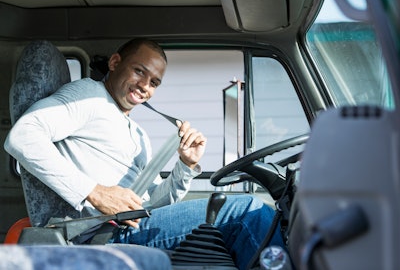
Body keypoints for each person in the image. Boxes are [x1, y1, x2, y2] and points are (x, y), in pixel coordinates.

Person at [4, 38, 284, 270]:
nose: (145, 86)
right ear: (115, 63)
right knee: (245, 211)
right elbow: (22, 137)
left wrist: (185, 166)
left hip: (125, 227)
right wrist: (96, 192)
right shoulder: (87, 95)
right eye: (139, 71)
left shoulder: (137, 134)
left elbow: (151, 205)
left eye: (154, 82)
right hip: (95, 234)